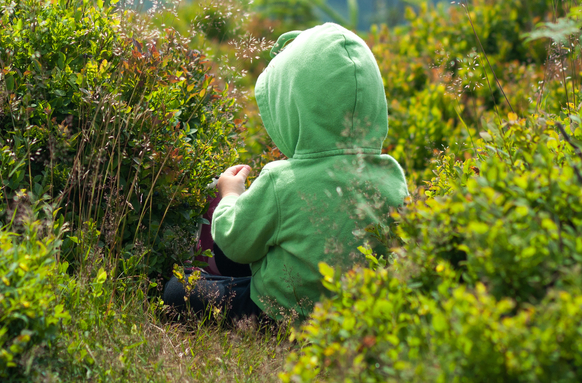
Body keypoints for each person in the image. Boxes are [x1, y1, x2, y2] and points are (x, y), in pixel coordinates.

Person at [163, 22, 410, 323]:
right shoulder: (390, 175)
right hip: (359, 320)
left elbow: (234, 241)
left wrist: (230, 195)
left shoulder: (282, 180)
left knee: (179, 289)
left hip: (279, 315)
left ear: (295, 106)